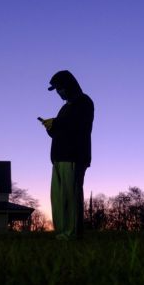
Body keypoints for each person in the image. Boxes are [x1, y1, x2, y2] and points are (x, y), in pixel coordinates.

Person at [41, 70, 94, 240]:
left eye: (60, 88)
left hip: (74, 157)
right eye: (57, 90)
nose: (58, 92)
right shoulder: (65, 107)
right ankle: (61, 232)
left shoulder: (84, 102)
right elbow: (60, 131)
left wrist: (56, 123)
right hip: (58, 157)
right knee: (58, 198)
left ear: (69, 86)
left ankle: (72, 233)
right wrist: (51, 128)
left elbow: (78, 127)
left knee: (71, 196)